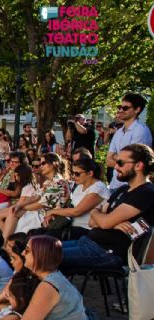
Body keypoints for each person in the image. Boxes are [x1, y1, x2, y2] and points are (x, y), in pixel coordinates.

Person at [60, 143, 154, 271]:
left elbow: (104, 222)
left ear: (138, 165)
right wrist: (112, 223)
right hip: (88, 242)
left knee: (40, 255)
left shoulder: (145, 192)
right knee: (35, 247)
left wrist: (104, 219)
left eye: (120, 163)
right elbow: (92, 222)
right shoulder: (123, 189)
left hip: (107, 252)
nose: (115, 167)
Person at [43, 157, 109, 240]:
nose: (74, 176)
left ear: (90, 173)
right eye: (72, 173)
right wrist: (53, 215)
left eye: (77, 174)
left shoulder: (98, 188)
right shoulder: (80, 186)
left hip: (86, 230)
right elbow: (71, 206)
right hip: (70, 226)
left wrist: (52, 211)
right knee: (37, 233)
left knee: (45, 240)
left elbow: (77, 211)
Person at [7, 153, 71, 235]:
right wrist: (19, 205)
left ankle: (8, 243)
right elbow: (36, 197)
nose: (41, 166)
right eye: (40, 164)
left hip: (50, 217)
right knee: (13, 213)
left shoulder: (58, 182)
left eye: (43, 163)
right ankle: (6, 242)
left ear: (54, 164)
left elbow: (40, 204)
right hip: (40, 213)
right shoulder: (48, 181)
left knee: (15, 216)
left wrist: (21, 207)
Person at [106, 93, 152, 191]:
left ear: (137, 109)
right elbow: (108, 161)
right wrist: (122, 161)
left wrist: (116, 157)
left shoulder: (140, 131)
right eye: (120, 107)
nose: (121, 110)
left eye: (125, 108)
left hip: (131, 188)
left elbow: (132, 163)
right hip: (114, 185)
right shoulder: (118, 132)